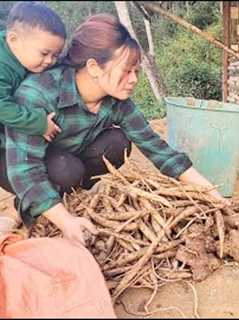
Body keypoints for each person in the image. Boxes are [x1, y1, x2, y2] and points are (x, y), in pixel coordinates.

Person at [1, 14, 227, 247]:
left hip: (64, 153)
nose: (133, 80)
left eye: (136, 72)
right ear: (94, 67)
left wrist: (215, 197)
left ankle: (60, 198)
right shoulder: (38, 94)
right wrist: (67, 222)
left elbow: (158, 149)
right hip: (13, 162)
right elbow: (24, 169)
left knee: (117, 142)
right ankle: (25, 205)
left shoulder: (116, 100)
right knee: (66, 170)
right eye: (127, 71)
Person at [0, 2, 64, 234]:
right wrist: (38, 122)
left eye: (55, 55)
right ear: (14, 39)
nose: (49, 61)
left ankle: (30, 205)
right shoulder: (2, 64)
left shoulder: (24, 55)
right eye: (44, 54)